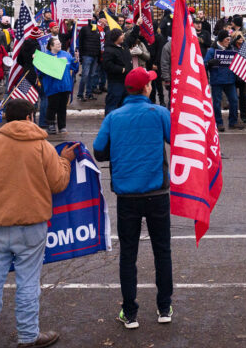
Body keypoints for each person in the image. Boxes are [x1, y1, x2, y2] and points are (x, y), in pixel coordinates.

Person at [0, 99, 77, 348]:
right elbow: (58, 184)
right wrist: (65, 161)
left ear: (7, 119)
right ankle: (28, 335)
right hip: (32, 225)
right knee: (28, 283)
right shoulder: (43, 147)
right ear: (30, 117)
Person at [93, 67, 173, 329]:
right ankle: (164, 307)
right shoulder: (159, 113)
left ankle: (130, 312)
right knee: (162, 251)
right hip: (157, 192)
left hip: (127, 194)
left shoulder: (114, 117)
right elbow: (176, 140)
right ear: (146, 88)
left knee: (128, 253)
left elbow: (99, 151)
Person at [41, 37, 79, 134]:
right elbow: (40, 72)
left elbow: (74, 68)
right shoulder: (45, 57)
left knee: (62, 107)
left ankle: (62, 126)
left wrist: (76, 59)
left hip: (65, 85)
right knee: (52, 106)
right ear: (51, 46)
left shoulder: (66, 55)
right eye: (57, 44)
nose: (60, 45)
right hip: (52, 86)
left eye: (60, 44)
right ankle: (50, 124)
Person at [204, 30, 241, 131]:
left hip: (230, 80)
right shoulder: (212, 51)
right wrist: (210, 63)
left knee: (234, 101)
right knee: (217, 103)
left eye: (229, 39)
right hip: (217, 81)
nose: (228, 41)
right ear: (221, 39)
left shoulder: (231, 49)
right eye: (227, 39)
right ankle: (218, 123)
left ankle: (233, 122)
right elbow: (204, 64)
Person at [102, 27, 137, 115]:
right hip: (116, 82)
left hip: (127, 81)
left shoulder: (124, 45)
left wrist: (137, 26)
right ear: (116, 37)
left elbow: (132, 37)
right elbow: (107, 65)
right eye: (121, 35)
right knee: (112, 104)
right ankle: (109, 122)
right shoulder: (109, 50)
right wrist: (121, 69)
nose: (123, 36)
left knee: (124, 104)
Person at [77, 19, 101, 101]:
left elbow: (98, 43)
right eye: (92, 18)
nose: (93, 20)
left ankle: (89, 93)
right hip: (86, 56)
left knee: (92, 75)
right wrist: (81, 56)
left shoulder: (97, 29)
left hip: (95, 56)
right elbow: (80, 42)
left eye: (95, 18)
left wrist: (98, 56)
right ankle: (80, 94)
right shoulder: (84, 29)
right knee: (85, 76)